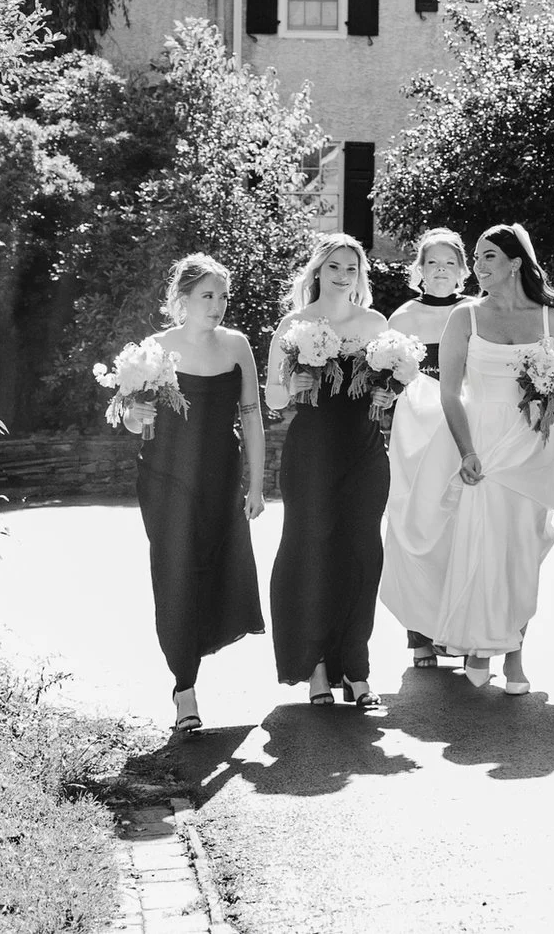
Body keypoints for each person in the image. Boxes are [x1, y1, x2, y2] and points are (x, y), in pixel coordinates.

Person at [381, 223, 554, 693]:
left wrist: (552, 401)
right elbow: (452, 394)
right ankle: (487, 647)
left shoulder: (552, 321)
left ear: (515, 263)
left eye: (487, 256)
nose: (476, 265)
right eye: (474, 257)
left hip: (532, 444)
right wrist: (467, 450)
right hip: (479, 442)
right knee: (484, 542)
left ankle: (510, 649)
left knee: (524, 550)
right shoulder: (466, 318)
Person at [137, 254, 266, 735]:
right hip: (165, 479)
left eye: (223, 296)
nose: (218, 305)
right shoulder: (155, 348)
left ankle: (191, 664)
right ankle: (184, 687)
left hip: (220, 476)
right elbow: (135, 415)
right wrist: (133, 417)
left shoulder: (237, 346)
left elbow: (251, 415)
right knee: (174, 574)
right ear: (183, 299)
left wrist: (255, 484)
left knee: (215, 570)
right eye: (207, 296)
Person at [265, 233, 391, 708]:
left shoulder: (375, 323)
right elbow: (273, 398)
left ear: (360, 275)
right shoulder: (294, 323)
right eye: (335, 266)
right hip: (311, 453)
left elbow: (388, 383)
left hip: (363, 451)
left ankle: (356, 670)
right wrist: (291, 383)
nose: (343, 276)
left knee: (363, 555)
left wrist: (387, 394)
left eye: (352, 268)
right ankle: (317, 665)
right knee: (312, 552)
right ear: (318, 269)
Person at [381, 228, 472, 669]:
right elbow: (386, 380)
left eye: (449, 263)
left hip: (464, 428)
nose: (441, 270)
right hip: (416, 430)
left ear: (462, 270)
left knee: (461, 524)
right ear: (418, 270)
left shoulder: (476, 313)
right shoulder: (401, 318)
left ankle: (458, 629)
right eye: (432, 263)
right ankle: (419, 633)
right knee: (415, 517)